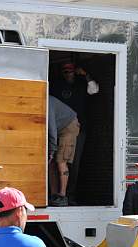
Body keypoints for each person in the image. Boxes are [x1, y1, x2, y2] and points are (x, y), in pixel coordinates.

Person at [50, 62, 99, 204]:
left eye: (70, 71)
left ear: (75, 72)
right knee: (57, 161)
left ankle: (69, 196)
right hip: (58, 129)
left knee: (73, 163)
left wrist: (85, 75)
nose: (68, 73)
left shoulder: (81, 84)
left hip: (77, 129)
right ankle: (57, 194)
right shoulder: (56, 86)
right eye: (65, 71)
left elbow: (94, 90)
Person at [47, 95, 80, 207]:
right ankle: (54, 195)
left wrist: (51, 150)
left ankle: (62, 196)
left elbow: (52, 129)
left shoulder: (47, 103)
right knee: (50, 163)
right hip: (58, 128)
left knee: (61, 160)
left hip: (69, 127)